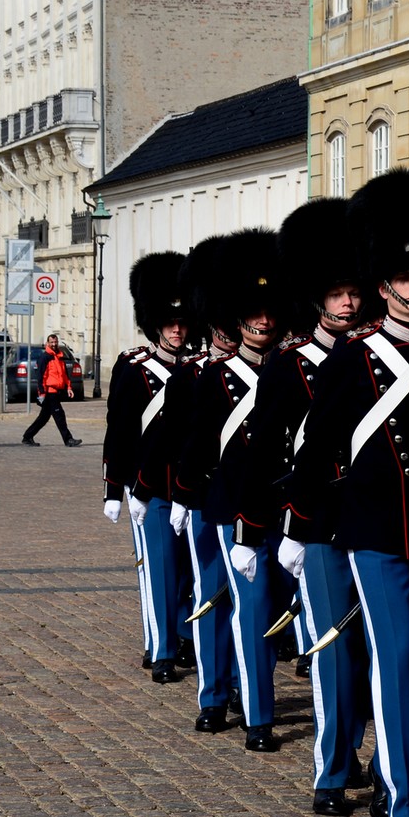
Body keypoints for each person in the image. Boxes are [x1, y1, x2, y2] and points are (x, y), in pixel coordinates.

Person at [288, 169, 409, 817]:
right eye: (405, 275)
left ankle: (389, 768)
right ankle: (407, 806)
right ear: (382, 282)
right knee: (394, 659)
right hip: (372, 533)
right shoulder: (355, 358)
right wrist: (301, 528)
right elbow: (316, 448)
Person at [238, 197, 372, 814]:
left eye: (354, 291)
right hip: (316, 522)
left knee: (374, 650)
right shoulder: (291, 365)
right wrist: (255, 529)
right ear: (318, 299)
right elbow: (264, 452)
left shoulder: (379, 357)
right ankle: (331, 771)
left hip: (374, 517)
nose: (348, 302)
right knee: (331, 648)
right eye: (337, 293)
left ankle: (366, 751)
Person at [178, 230, 291, 754]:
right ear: (237, 318)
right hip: (229, 507)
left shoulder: (293, 371)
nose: (264, 322)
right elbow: (198, 446)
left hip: (282, 504)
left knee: (267, 607)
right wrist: (188, 497)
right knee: (241, 603)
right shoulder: (215, 377)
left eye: (270, 313)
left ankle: (245, 691)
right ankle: (238, 705)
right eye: (254, 313)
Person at [168, 235, 245, 733]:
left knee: (257, 602)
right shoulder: (193, 373)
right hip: (207, 498)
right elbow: (182, 444)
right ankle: (214, 691)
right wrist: (181, 495)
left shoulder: (275, 366)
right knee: (213, 595)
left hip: (259, 501)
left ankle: (246, 683)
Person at [104, 251, 191, 684]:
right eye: (169, 323)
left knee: (186, 571)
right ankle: (161, 649)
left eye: (182, 323)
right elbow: (119, 430)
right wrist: (114, 488)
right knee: (159, 570)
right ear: (155, 324)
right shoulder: (135, 368)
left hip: (190, 487)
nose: (177, 330)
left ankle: (181, 634)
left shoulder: (198, 370)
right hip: (150, 486)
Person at [22, 333, 82, 447]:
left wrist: (69, 387)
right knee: (60, 416)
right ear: (48, 343)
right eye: (52, 342)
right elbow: (41, 377)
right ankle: (68, 440)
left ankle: (27, 436)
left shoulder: (59, 357)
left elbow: (64, 374)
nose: (54, 344)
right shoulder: (45, 358)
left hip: (56, 391)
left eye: (55, 342)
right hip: (49, 392)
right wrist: (42, 393)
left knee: (43, 418)